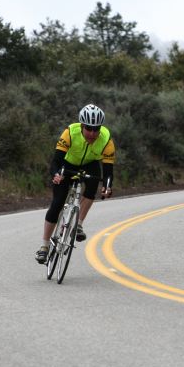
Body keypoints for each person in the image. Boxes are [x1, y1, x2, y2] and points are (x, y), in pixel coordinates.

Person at [35, 104, 115, 263]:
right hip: (67, 164)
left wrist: (107, 186)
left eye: (96, 129)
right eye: (89, 129)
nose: (92, 133)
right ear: (82, 126)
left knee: (94, 182)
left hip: (90, 164)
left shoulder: (106, 139)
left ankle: (78, 224)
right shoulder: (70, 133)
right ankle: (44, 246)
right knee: (57, 202)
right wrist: (56, 174)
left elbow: (108, 171)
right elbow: (56, 161)